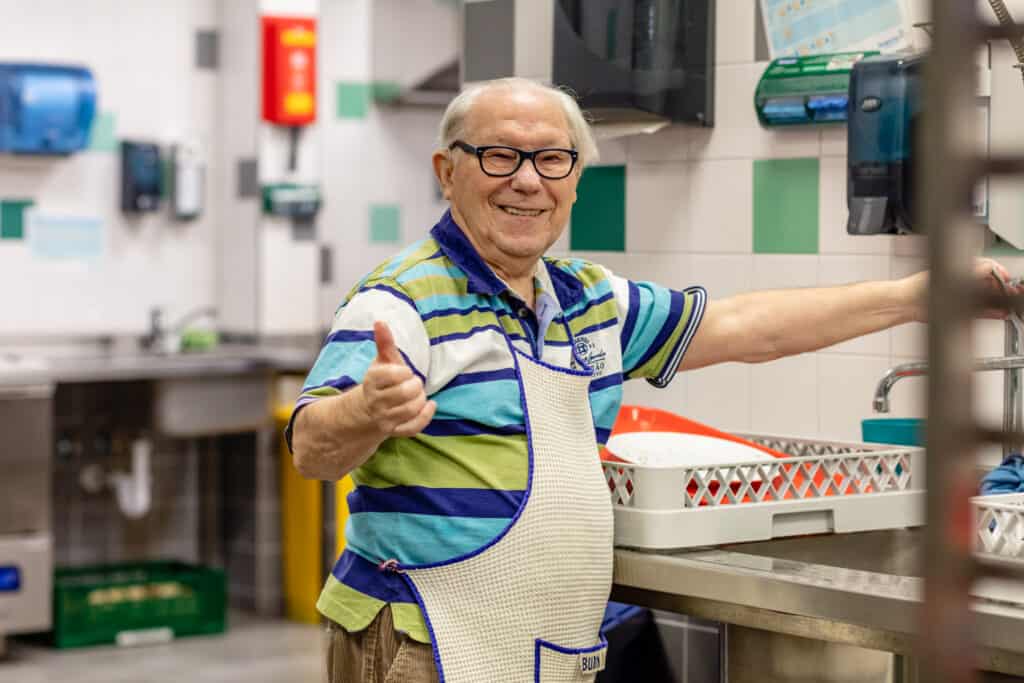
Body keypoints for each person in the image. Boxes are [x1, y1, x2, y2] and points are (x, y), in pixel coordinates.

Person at [288, 77, 1013, 683]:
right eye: (500, 155)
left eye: (552, 159)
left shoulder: (589, 301)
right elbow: (311, 447)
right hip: (423, 642)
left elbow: (745, 327)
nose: (527, 180)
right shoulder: (402, 299)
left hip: (540, 647)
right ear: (449, 172)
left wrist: (920, 296)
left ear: (575, 178)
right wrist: (366, 410)